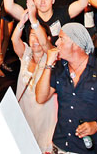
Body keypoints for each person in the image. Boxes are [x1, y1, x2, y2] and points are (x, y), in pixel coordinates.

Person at [36, 23, 97, 154]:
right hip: (60, 145)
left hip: (89, 148)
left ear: (76, 43)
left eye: (61, 38)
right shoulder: (59, 68)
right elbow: (40, 97)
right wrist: (48, 65)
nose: (56, 43)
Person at [11, 10, 56, 152]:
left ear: (48, 38)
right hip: (24, 113)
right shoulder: (26, 53)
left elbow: (47, 47)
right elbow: (14, 40)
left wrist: (34, 21)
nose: (35, 39)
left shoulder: (52, 58)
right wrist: (22, 22)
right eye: (32, 35)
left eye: (38, 36)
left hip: (44, 116)